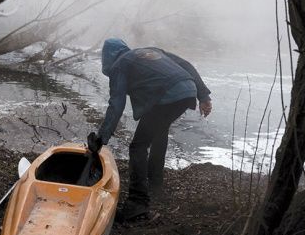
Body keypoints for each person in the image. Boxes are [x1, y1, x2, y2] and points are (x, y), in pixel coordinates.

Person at [88, 38, 212, 222]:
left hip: (166, 95)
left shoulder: (120, 64)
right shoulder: (150, 51)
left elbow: (116, 104)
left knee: (138, 146)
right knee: (159, 130)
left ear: (108, 56)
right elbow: (186, 65)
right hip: (187, 90)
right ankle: (155, 182)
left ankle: (138, 203)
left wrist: (101, 138)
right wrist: (203, 95)